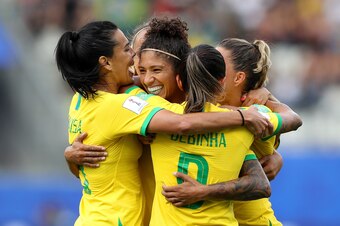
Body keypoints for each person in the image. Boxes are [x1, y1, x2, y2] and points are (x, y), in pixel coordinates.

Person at [55, 20, 272, 226]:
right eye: (129, 50)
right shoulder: (126, 105)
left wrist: (266, 100)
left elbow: (263, 171)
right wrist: (244, 116)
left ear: (178, 72)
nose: (134, 59)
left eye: (154, 67)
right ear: (105, 62)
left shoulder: (81, 100)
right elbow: (181, 123)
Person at [162, 38, 302, 226]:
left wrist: (268, 97)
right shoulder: (203, 108)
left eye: (220, 62)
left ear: (238, 78)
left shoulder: (256, 113)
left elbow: (293, 119)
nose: (213, 65)